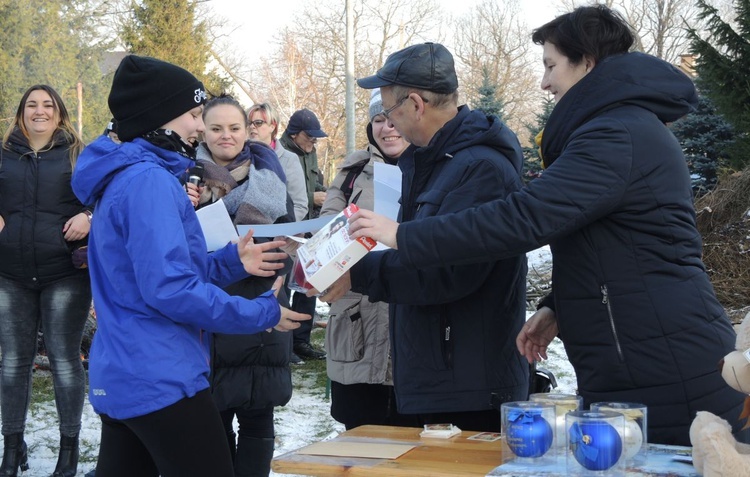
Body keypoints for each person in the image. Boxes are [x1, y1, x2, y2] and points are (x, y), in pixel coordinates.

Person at [348, 6, 749, 446]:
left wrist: (402, 235)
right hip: (631, 356)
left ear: (588, 64)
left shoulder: (617, 134)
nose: (544, 82)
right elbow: (614, 245)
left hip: (667, 363)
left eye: (551, 65)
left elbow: (524, 217)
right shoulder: (613, 129)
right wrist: (557, 306)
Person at [70, 55, 309, 477]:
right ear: (159, 118)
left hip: (128, 369)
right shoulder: (148, 181)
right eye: (195, 115)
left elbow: (156, 271)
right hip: (159, 376)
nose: (200, 127)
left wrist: (230, 261)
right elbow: (171, 290)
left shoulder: (132, 175)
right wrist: (260, 312)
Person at [321, 42, 529, 432]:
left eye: (390, 111)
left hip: (469, 384)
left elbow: (448, 271)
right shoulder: (435, 161)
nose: (388, 124)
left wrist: (357, 274)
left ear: (416, 104)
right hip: (442, 375)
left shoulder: (479, 169)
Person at [195, 94, 294, 477]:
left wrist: (288, 247)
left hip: (260, 297)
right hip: (210, 303)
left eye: (235, 128)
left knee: (258, 412)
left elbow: (288, 231)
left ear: (247, 130)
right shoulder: (184, 176)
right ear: (203, 129)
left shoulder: (269, 177)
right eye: (216, 128)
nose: (226, 136)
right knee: (212, 417)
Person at [0, 85, 91, 477]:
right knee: (12, 363)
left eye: (47, 105)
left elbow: (109, 197)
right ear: (21, 113)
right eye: (32, 105)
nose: (40, 111)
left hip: (64, 274)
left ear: (59, 113)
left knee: (65, 361)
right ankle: (11, 447)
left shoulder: (78, 153)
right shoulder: (3, 154)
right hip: (10, 273)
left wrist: (91, 215)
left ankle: (68, 451)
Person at [319, 88, 418, 430]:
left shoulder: (437, 169)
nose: (387, 128)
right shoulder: (352, 172)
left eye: (394, 119)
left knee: (414, 447)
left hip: (413, 326)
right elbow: (325, 234)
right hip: (357, 328)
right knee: (360, 440)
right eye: (379, 120)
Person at [279, 109, 329, 362]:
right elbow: (282, 193)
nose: (313, 142)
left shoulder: (311, 153)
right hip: (289, 231)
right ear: (294, 134)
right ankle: (284, 346)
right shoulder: (279, 154)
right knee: (285, 288)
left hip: (311, 228)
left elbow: (315, 184)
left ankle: (302, 342)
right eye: (310, 137)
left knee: (307, 286)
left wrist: (324, 193)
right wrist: (311, 197)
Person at [247, 103, 308, 222]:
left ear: (272, 126)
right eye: (249, 123)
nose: (252, 127)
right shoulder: (240, 156)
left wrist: (279, 230)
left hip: (277, 233)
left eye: (258, 123)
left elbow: (300, 205)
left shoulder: (289, 159)